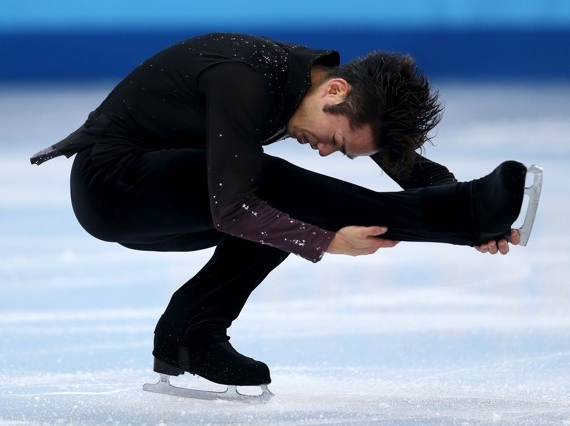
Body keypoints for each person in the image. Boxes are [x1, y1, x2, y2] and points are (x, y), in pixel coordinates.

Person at [31, 33, 525, 387]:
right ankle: (463, 214)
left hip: (163, 190)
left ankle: (189, 334)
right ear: (336, 91)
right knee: (265, 186)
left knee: (272, 195)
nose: (327, 152)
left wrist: (466, 215)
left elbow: (412, 170)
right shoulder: (242, 78)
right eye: (335, 141)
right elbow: (231, 208)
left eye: (343, 151)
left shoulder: (308, 86)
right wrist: (327, 240)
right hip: (113, 188)